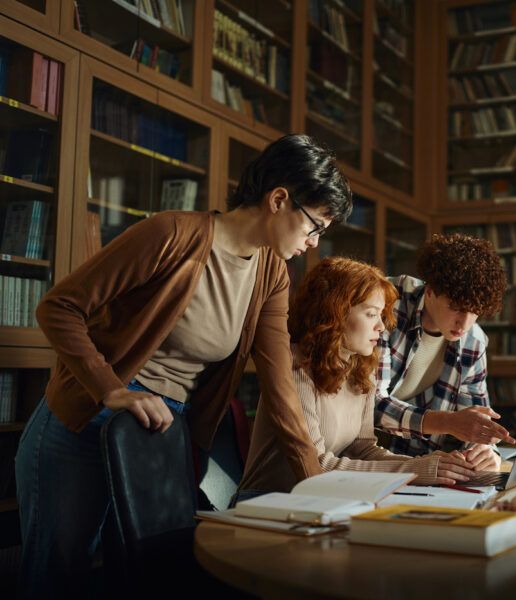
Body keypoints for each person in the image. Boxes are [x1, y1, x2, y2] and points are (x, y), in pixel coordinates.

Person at [14, 134, 351, 596]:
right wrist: (111, 388)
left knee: (137, 574)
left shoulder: (272, 273)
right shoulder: (171, 234)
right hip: (90, 416)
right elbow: (59, 308)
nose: (313, 243)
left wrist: (318, 489)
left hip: (161, 432)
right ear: (278, 200)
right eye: (314, 226)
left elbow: (280, 390)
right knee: (59, 572)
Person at [237, 257, 477, 501]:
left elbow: (362, 448)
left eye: (382, 316)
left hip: (325, 499)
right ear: (336, 313)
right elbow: (318, 465)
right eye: (372, 314)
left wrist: (429, 465)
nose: (382, 327)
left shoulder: (360, 367)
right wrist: (418, 470)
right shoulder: (295, 364)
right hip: (266, 500)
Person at [375, 233, 515, 471]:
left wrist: (486, 451)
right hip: (358, 456)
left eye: (475, 312)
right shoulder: (385, 304)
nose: (465, 324)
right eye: (456, 308)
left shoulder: (474, 340)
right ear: (429, 290)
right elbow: (368, 405)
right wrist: (448, 423)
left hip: (416, 463)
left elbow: (476, 416)